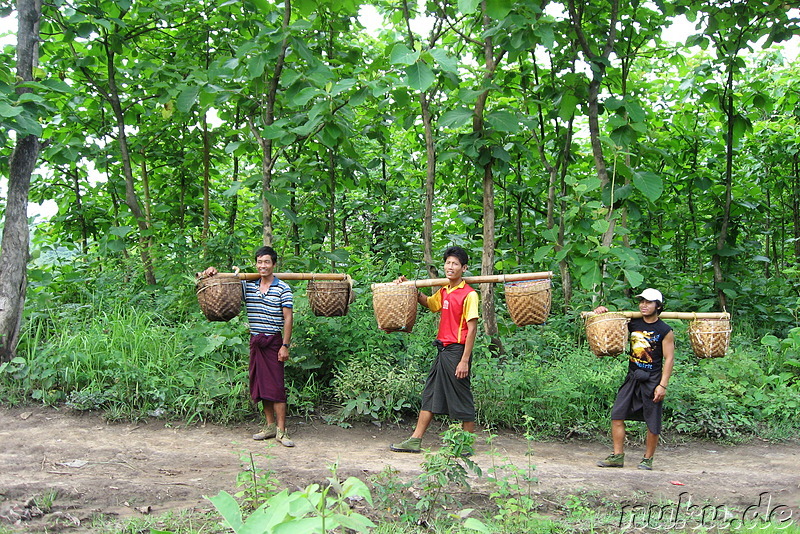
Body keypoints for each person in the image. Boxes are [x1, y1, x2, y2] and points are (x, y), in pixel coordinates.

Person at [202, 246, 295, 447]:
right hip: (256, 342)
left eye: (267, 262)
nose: (263, 266)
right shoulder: (248, 286)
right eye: (260, 262)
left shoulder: (283, 289)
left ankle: (282, 431)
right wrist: (211, 272)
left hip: (274, 342)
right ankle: (269, 426)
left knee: (276, 386)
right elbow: (225, 288)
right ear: (256, 263)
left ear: (274, 264)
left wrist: (285, 345)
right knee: (261, 386)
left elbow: (288, 319)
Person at [390, 246, 480, 453]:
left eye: (455, 263)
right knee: (431, 394)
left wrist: (464, 360)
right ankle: (415, 440)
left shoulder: (469, 295)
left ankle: (466, 445)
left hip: (457, 351)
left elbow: (472, 329)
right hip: (443, 351)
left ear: (464, 268)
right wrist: (412, 289)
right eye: (448, 262)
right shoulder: (445, 290)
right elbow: (430, 304)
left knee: (461, 395)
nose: (450, 266)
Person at [594, 288, 675, 470]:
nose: (643, 305)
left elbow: (669, 358)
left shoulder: (664, 330)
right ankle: (617, 456)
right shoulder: (632, 323)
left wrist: (662, 385)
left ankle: (648, 459)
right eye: (642, 302)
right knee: (617, 415)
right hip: (632, 377)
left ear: (658, 306)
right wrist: (601, 311)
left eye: (648, 302)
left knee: (652, 421)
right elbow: (610, 325)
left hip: (652, 379)